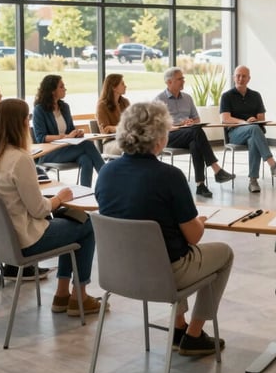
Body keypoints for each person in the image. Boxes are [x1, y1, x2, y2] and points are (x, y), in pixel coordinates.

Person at [95, 101, 233, 356]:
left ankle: (179, 327)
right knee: (223, 253)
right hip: (164, 274)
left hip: (119, 272)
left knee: (164, 245)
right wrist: (200, 222)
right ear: (158, 138)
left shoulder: (105, 173)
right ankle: (193, 334)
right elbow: (193, 237)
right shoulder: (169, 176)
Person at [0, 98, 100, 315]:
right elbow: (39, 211)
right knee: (86, 223)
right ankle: (78, 296)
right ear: (21, 123)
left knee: (73, 220)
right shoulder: (19, 159)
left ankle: (62, 295)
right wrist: (58, 199)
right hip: (24, 239)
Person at [155, 67, 234, 198]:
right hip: (170, 135)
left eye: (183, 78)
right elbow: (158, 125)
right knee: (196, 132)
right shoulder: (159, 99)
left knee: (195, 144)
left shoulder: (187, 98)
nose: (183, 81)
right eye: (180, 79)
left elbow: (197, 119)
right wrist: (179, 124)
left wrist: (191, 122)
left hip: (189, 133)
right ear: (169, 82)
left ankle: (200, 185)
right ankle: (216, 169)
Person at [219, 65, 276, 193]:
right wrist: (244, 122)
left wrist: (254, 120)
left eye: (244, 76)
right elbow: (225, 118)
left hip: (253, 133)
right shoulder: (227, 96)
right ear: (234, 77)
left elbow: (261, 117)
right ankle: (272, 163)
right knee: (253, 129)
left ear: (249, 79)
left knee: (253, 139)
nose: (240, 78)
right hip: (235, 134)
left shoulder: (255, 95)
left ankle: (253, 181)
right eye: (238, 75)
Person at [32, 74, 104, 188]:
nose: (65, 89)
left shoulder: (65, 107)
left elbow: (70, 130)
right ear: (52, 91)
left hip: (67, 149)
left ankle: (85, 193)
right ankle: (107, 178)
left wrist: (76, 133)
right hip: (50, 153)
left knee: (86, 159)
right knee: (87, 145)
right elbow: (41, 137)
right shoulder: (39, 110)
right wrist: (65, 137)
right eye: (61, 86)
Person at [95, 73, 130, 157]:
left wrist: (114, 128)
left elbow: (132, 123)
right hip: (111, 142)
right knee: (133, 148)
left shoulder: (125, 102)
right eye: (122, 84)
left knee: (145, 146)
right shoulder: (102, 105)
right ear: (114, 87)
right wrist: (124, 128)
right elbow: (105, 130)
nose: (125, 86)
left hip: (127, 138)